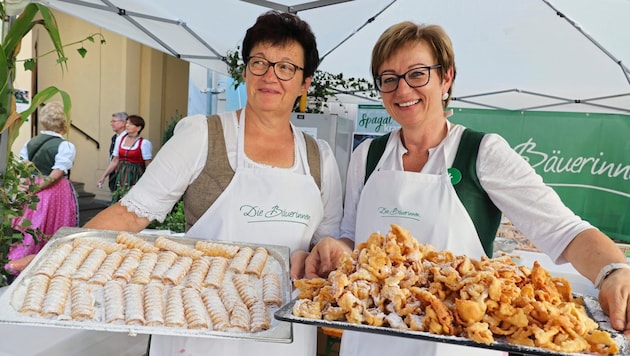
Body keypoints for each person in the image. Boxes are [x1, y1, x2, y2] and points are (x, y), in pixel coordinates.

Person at [305, 21, 630, 356]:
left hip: (458, 343)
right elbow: (352, 241)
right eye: (389, 79)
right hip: (370, 340)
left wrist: (612, 272)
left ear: (446, 78)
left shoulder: (481, 153)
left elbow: (563, 229)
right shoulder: (367, 156)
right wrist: (336, 248)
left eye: (418, 74)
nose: (402, 90)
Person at [85, 10, 343, 356]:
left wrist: (323, 255)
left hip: (285, 336)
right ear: (245, 70)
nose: (270, 76)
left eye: (286, 67)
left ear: (305, 83)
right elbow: (133, 213)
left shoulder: (320, 157)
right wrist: (60, 251)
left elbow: (327, 243)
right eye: (259, 63)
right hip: (199, 330)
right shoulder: (202, 136)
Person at [5, 101, 78, 275]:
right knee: (54, 225)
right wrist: (39, 187)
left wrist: (28, 187)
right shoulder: (65, 145)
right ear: (64, 123)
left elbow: (24, 168)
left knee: (31, 223)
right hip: (55, 192)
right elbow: (56, 174)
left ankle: (21, 259)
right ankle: (50, 260)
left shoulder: (31, 142)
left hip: (32, 188)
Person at [97, 114, 152, 202]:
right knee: (119, 198)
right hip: (121, 174)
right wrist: (103, 176)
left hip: (136, 175)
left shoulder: (144, 143)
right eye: (127, 123)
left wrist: (149, 181)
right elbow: (115, 161)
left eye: (130, 124)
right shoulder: (120, 140)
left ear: (138, 128)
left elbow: (148, 164)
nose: (127, 125)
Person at [107, 111, 128, 192]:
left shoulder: (127, 138)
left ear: (123, 123)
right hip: (114, 173)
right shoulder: (114, 137)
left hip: (123, 173)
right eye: (111, 121)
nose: (112, 124)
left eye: (114, 121)